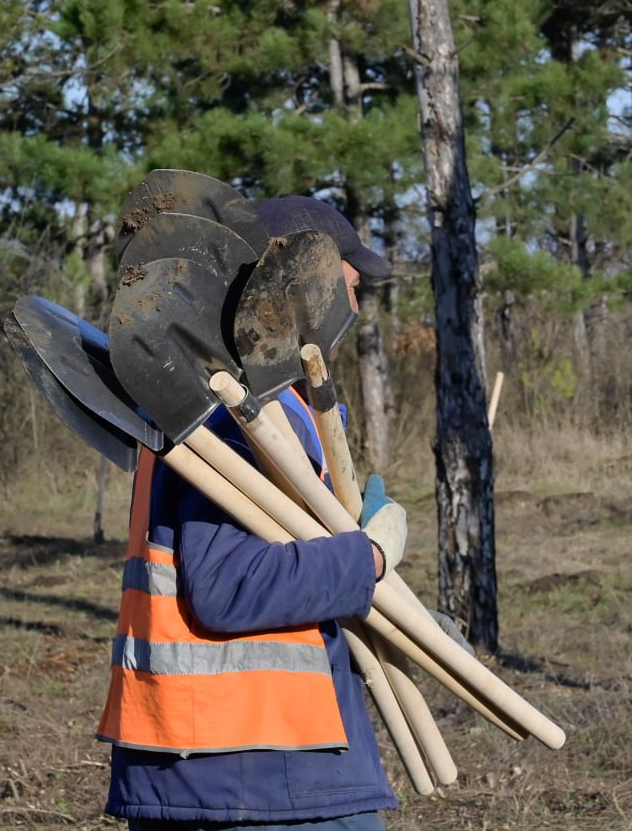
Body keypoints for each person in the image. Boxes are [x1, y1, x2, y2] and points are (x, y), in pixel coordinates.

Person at [97, 194, 406, 830]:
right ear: (301, 289)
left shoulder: (222, 406)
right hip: (260, 775)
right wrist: (368, 559)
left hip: (220, 767)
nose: (353, 309)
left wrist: (397, 621)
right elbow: (229, 588)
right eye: (349, 288)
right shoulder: (235, 418)